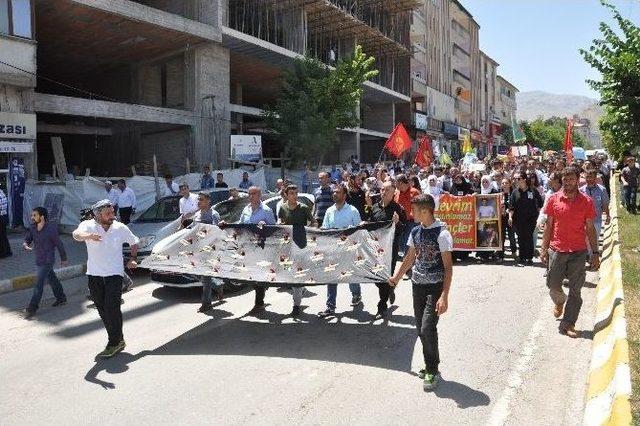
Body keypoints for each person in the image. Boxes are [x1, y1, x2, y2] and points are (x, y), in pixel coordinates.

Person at [388, 194, 453, 391]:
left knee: (427, 328)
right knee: (421, 330)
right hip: (417, 285)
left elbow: (448, 267)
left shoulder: (442, 234)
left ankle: (432, 369)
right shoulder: (415, 231)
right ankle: (432, 362)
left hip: (435, 288)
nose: (410, 213)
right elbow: (409, 257)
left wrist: (444, 295)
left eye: (414, 210)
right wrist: (397, 277)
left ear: (425, 211)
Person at [72, 199, 139, 358]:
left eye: (112, 212)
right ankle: (118, 339)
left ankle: (113, 342)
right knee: (102, 309)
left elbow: (134, 241)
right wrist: (89, 236)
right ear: (97, 214)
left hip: (114, 274)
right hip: (94, 274)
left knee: (112, 307)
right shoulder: (88, 225)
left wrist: (133, 258)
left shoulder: (120, 227)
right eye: (108, 213)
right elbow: (76, 235)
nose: (112, 215)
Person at [540, 167, 599, 338]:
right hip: (557, 249)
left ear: (577, 180)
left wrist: (595, 252)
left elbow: (590, 228)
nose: (568, 182)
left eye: (571, 179)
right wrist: (544, 249)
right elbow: (549, 226)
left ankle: (569, 323)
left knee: (575, 289)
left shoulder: (586, 201)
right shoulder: (553, 199)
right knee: (552, 284)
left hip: (578, 251)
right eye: (565, 179)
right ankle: (559, 301)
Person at [318, 184, 363, 317]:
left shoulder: (353, 211)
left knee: (349, 275)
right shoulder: (329, 211)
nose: (334, 194)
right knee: (332, 277)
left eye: (338, 192)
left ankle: (356, 294)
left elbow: (358, 230)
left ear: (344, 195)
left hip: (349, 250)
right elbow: (325, 228)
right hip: (333, 251)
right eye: (334, 192)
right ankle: (330, 306)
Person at [364, 180, 406, 318]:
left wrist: (397, 222)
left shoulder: (397, 208)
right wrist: (365, 218)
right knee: (375, 275)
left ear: (394, 193)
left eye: (387, 190)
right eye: (382, 189)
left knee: (385, 277)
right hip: (375, 248)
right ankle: (390, 288)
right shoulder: (374, 207)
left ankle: (381, 306)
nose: (384, 192)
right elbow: (369, 222)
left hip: (390, 249)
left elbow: (403, 229)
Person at [235, 186, 276, 313]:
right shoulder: (246, 209)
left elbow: (274, 228)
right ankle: (263, 286)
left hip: (261, 246)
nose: (250, 196)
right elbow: (241, 224)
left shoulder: (266, 210)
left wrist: (265, 227)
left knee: (258, 273)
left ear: (259, 195)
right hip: (247, 246)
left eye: (253, 194)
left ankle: (259, 303)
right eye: (249, 194)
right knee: (249, 273)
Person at [23, 207, 68, 319]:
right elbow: (28, 238)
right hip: (39, 259)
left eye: (34, 215)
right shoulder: (33, 227)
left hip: (48, 260)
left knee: (38, 284)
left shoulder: (50, 229)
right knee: (52, 279)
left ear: (42, 216)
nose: (32, 217)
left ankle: (32, 308)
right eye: (32, 215)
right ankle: (61, 298)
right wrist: (25, 244)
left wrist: (63, 258)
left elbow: (59, 244)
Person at [278, 185, 316, 317]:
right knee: (288, 272)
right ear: (287, 195)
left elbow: (314, 223)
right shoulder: (282, 207)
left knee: (297, 275)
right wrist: (280, 223)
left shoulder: (304, 208)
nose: (294, 195)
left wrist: (309, 231)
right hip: (288, 246)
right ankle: (301, 289)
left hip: (301, 245)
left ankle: (296, 305)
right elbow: (281, 220)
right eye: (291, 193)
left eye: (296, 193)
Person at [192, 192, 224, 313]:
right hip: (199, 249)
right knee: (195, 272)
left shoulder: (214, 214)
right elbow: (194, 231)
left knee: (205, 277)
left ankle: (206, 304)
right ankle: (217, 285)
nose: (199, 202)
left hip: (210, 250)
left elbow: (217, 231)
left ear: (208, 201)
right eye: (198, 200)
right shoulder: (196, 215)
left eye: (201, 199)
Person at [508, 172, 543, 265]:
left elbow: (540, 202)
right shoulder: (515, 192)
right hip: (518, 219)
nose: (517, 180)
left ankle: (529, 257)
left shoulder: (532, 190)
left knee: (528, 236)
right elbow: (511, 206)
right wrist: (510, 217)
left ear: (524, 179)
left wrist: (539, 215)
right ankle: (522, 257)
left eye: (518, 178)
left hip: (531, 219)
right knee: (520, 237)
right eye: (516, 179)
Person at [580, 169, 610, 256]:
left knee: (594, 240)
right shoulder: (581, 190)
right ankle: (586, 256)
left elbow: (605, 204)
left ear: (595, 178)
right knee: (584, 240)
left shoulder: (602, 190)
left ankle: (592, 258)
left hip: (596, 220)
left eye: (591, 177)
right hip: (583, 221)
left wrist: (608, 215)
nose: (589, 179)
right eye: (587, 177)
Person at [395, 174, 421, 256]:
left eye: (396, 183)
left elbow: (420, 206)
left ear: (401, 183)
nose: (395, 185)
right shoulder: (397, 193)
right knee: (401, 241)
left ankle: (408, 261)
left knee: (409, 242)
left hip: (412, 221)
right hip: (400, 222)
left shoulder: (415, 192)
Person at [0, 187, 11, 258]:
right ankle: (7, 251)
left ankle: (2, 253)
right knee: (3, 235)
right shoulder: (1, 191)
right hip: (3, 215)